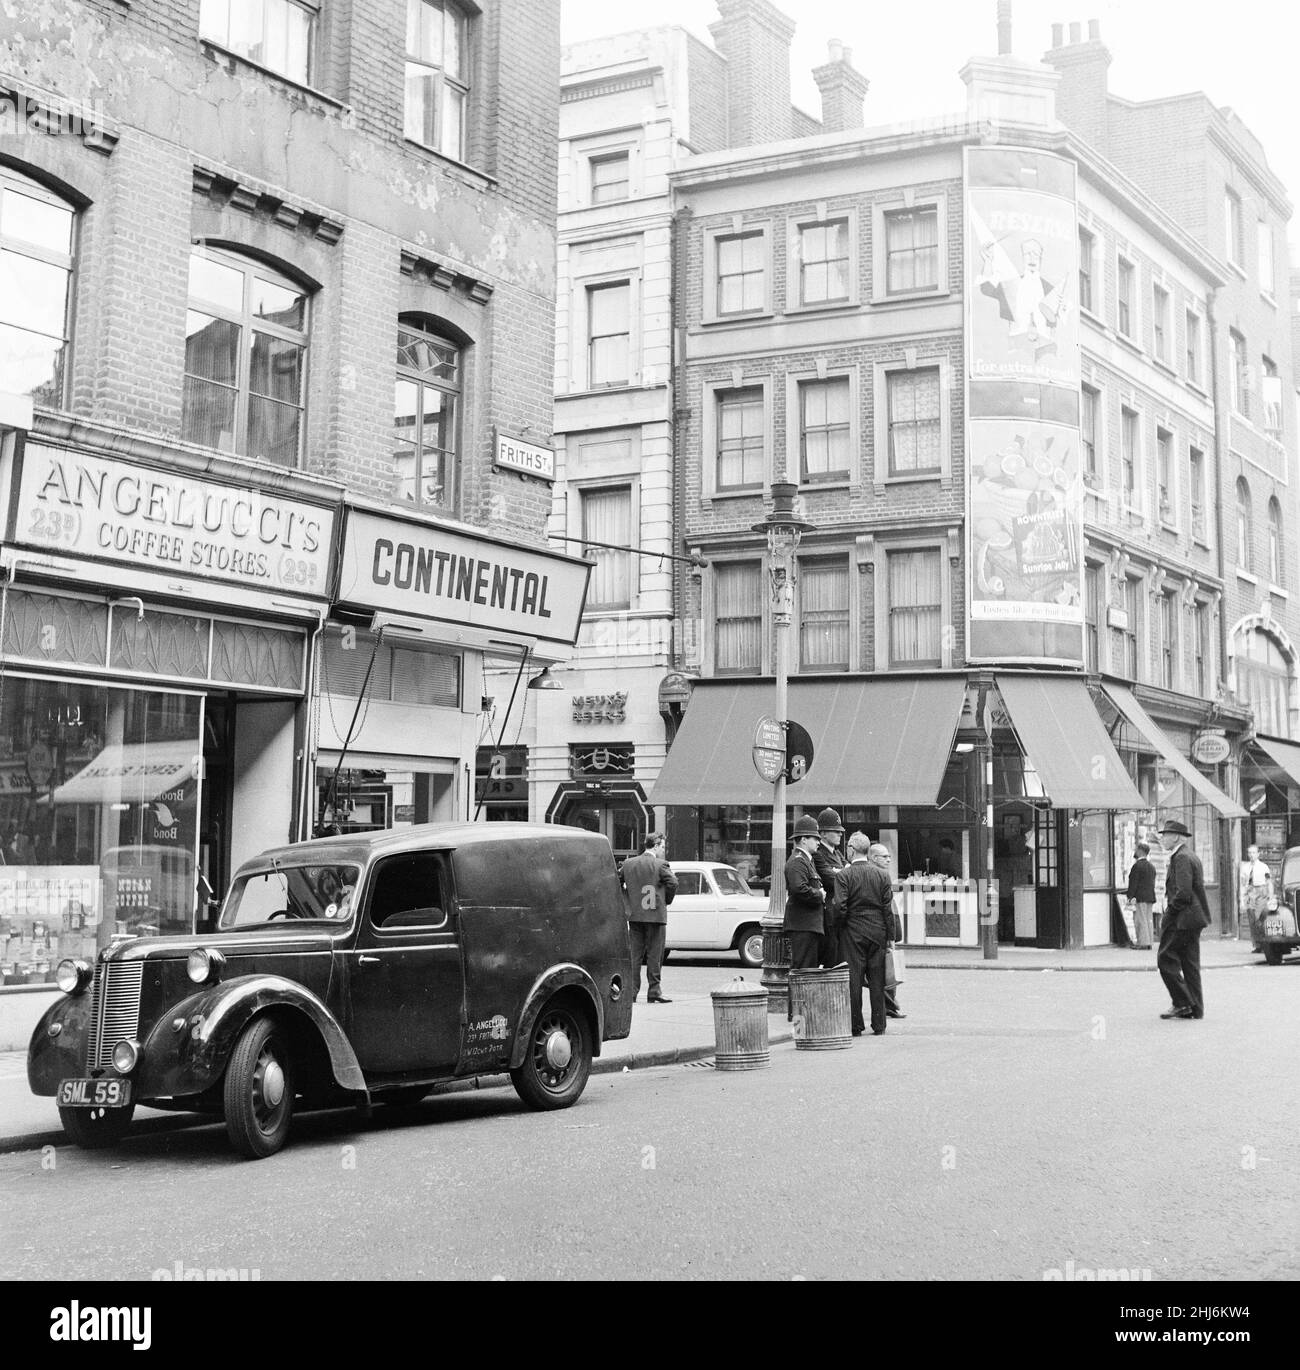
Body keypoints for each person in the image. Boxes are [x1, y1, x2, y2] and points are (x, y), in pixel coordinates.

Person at [833, 835, 895, 1037]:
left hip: (852, 931)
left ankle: (855, 1025)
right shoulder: (882, 876)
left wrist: (840, 928)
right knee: (877, 980)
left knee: (854, 979)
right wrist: (890, 937)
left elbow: (840, 907)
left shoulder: (844, 876)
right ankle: (879, 1025)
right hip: (878, 931)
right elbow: (888, 909)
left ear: (851, 850)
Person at [1157, 818, 1210, 1020]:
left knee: (1165, 959)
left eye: (1166, 835)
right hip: (1193, 918)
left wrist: (1168, 914)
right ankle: (1196, 1008)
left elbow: (1183, 893)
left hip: (1182, 919)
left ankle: (1182, 1002)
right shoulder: (1188, 856)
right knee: (1190, 963)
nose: (1163, 838)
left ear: (1176, 837)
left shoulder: (1181, 858)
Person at [620, 832, 677, 1004]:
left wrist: (627, 900)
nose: (663, 850)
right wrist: (666, 900)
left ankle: (631, 992)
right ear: (657, 845)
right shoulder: (661, 865)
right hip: (655, 916)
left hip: (635, 916)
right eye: (663, 847)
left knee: (634, 956)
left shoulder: (628, 864)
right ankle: (654, 991)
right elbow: (673, 882)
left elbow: (615, 879)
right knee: (655, 955)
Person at [782, 815, 825, 972]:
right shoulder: (798, 861)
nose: (819, 842)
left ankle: (801, 997)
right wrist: (820, 895)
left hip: (807, 925)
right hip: (803, 926)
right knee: (802, 970)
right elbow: (798, 888)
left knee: (807, 970)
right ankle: (796, 998)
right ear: (804, 840)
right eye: (815, 838)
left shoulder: (806, 861)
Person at [812, 808, 846, 967]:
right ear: (823, 833)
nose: (840, 834)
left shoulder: (838, 854)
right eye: (836, 831)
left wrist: (839, 872)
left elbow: (848, 874)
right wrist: (843, 873)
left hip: (840, 911)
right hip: (829, 914)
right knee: (832, 958)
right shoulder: (818, 854)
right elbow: (830, 880)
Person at [1125, 841, 1157, 950]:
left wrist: (1130, 897)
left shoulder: (1137, 866)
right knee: (1148, 919)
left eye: (1136, 849)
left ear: (1140, 851)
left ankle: (1142, 943)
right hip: (1150, 897)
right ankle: (1149, 942)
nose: (1134, 851)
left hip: (1140, 897)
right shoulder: (1151, 866)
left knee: (1140, 920)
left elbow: (1133, 883)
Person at [1241, 844, 1273, 948]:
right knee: (1252, 920)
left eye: (1253, 853)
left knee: (1259, 918)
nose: (1251, 855)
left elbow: (1269, 882)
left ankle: (1263, 943)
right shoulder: (1245, 867)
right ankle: (1256, 945)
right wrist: (1242, 899)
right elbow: (1242, 884)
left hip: (1261, 892)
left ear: (1258, 854)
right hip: (1250, 893)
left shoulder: (1263, 867)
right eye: (1249, 853)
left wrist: (1271, 897)